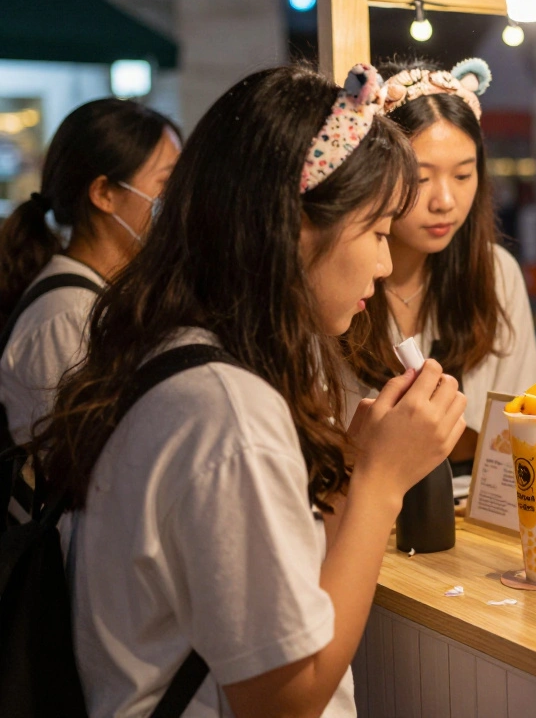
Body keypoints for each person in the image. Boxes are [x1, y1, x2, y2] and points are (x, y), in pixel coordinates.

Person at [31, 64, 466, 716]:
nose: (383, 265)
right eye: (376, 232)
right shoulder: (226, 411)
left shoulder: (175, 358)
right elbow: (283, 699)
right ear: (291, 226)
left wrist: (353, 468)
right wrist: (380, 482)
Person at [344, 58, 536, 465]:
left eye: (463, 175)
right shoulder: (341, 276)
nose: (445, 202)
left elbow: (526, 425)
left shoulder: (496, 272)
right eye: (421, 178)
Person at [0, 99, 179, 448]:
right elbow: (81, 471)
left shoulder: (102, 297)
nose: (179, 200)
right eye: (167, 182)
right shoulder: (66, 317)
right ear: (104, 194)